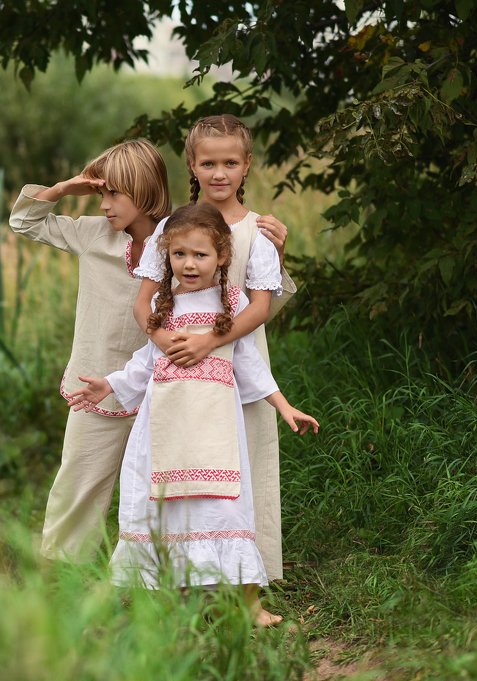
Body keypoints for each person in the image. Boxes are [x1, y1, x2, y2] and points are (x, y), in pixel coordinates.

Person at [67, 203, 318, 626]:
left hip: (216, 426)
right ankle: (176, 598)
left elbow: (251, 362)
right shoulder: (163, 310)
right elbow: (143, 363)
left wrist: (283, 405)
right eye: (179, 254)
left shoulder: (232, 303)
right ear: (167, 256)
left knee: (227, 509)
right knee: (169, 508)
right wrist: (109, 384)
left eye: (200, 255)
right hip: (166, 426)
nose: (188, 264)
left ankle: (249, 604)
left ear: (222, 256)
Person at [132, 114, 296, 582]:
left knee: (248, 464)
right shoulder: (172, 229)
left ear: (247, 166)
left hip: (236, 357)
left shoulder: (257, 232)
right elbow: (143, 304)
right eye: (208, 163)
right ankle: (186, 571)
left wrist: (209, 342)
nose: (218, 173)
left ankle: (250, 575)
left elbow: (260, 306)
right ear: (192, 164)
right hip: (181, 367)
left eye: (229, 162)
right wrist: (164, 341)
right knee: (188, 462)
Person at [8, 139, 172, 561]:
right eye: (101, 193)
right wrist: (64, 188)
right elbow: (24, 223)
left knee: (165, 486)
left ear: (146, 189)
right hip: (93, 382)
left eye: (115, 193)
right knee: (79, 480)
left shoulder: (179, 239)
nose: (104, 205)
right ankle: (62, 571)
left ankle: (167, 574)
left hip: (164, 384)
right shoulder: (91, 234)